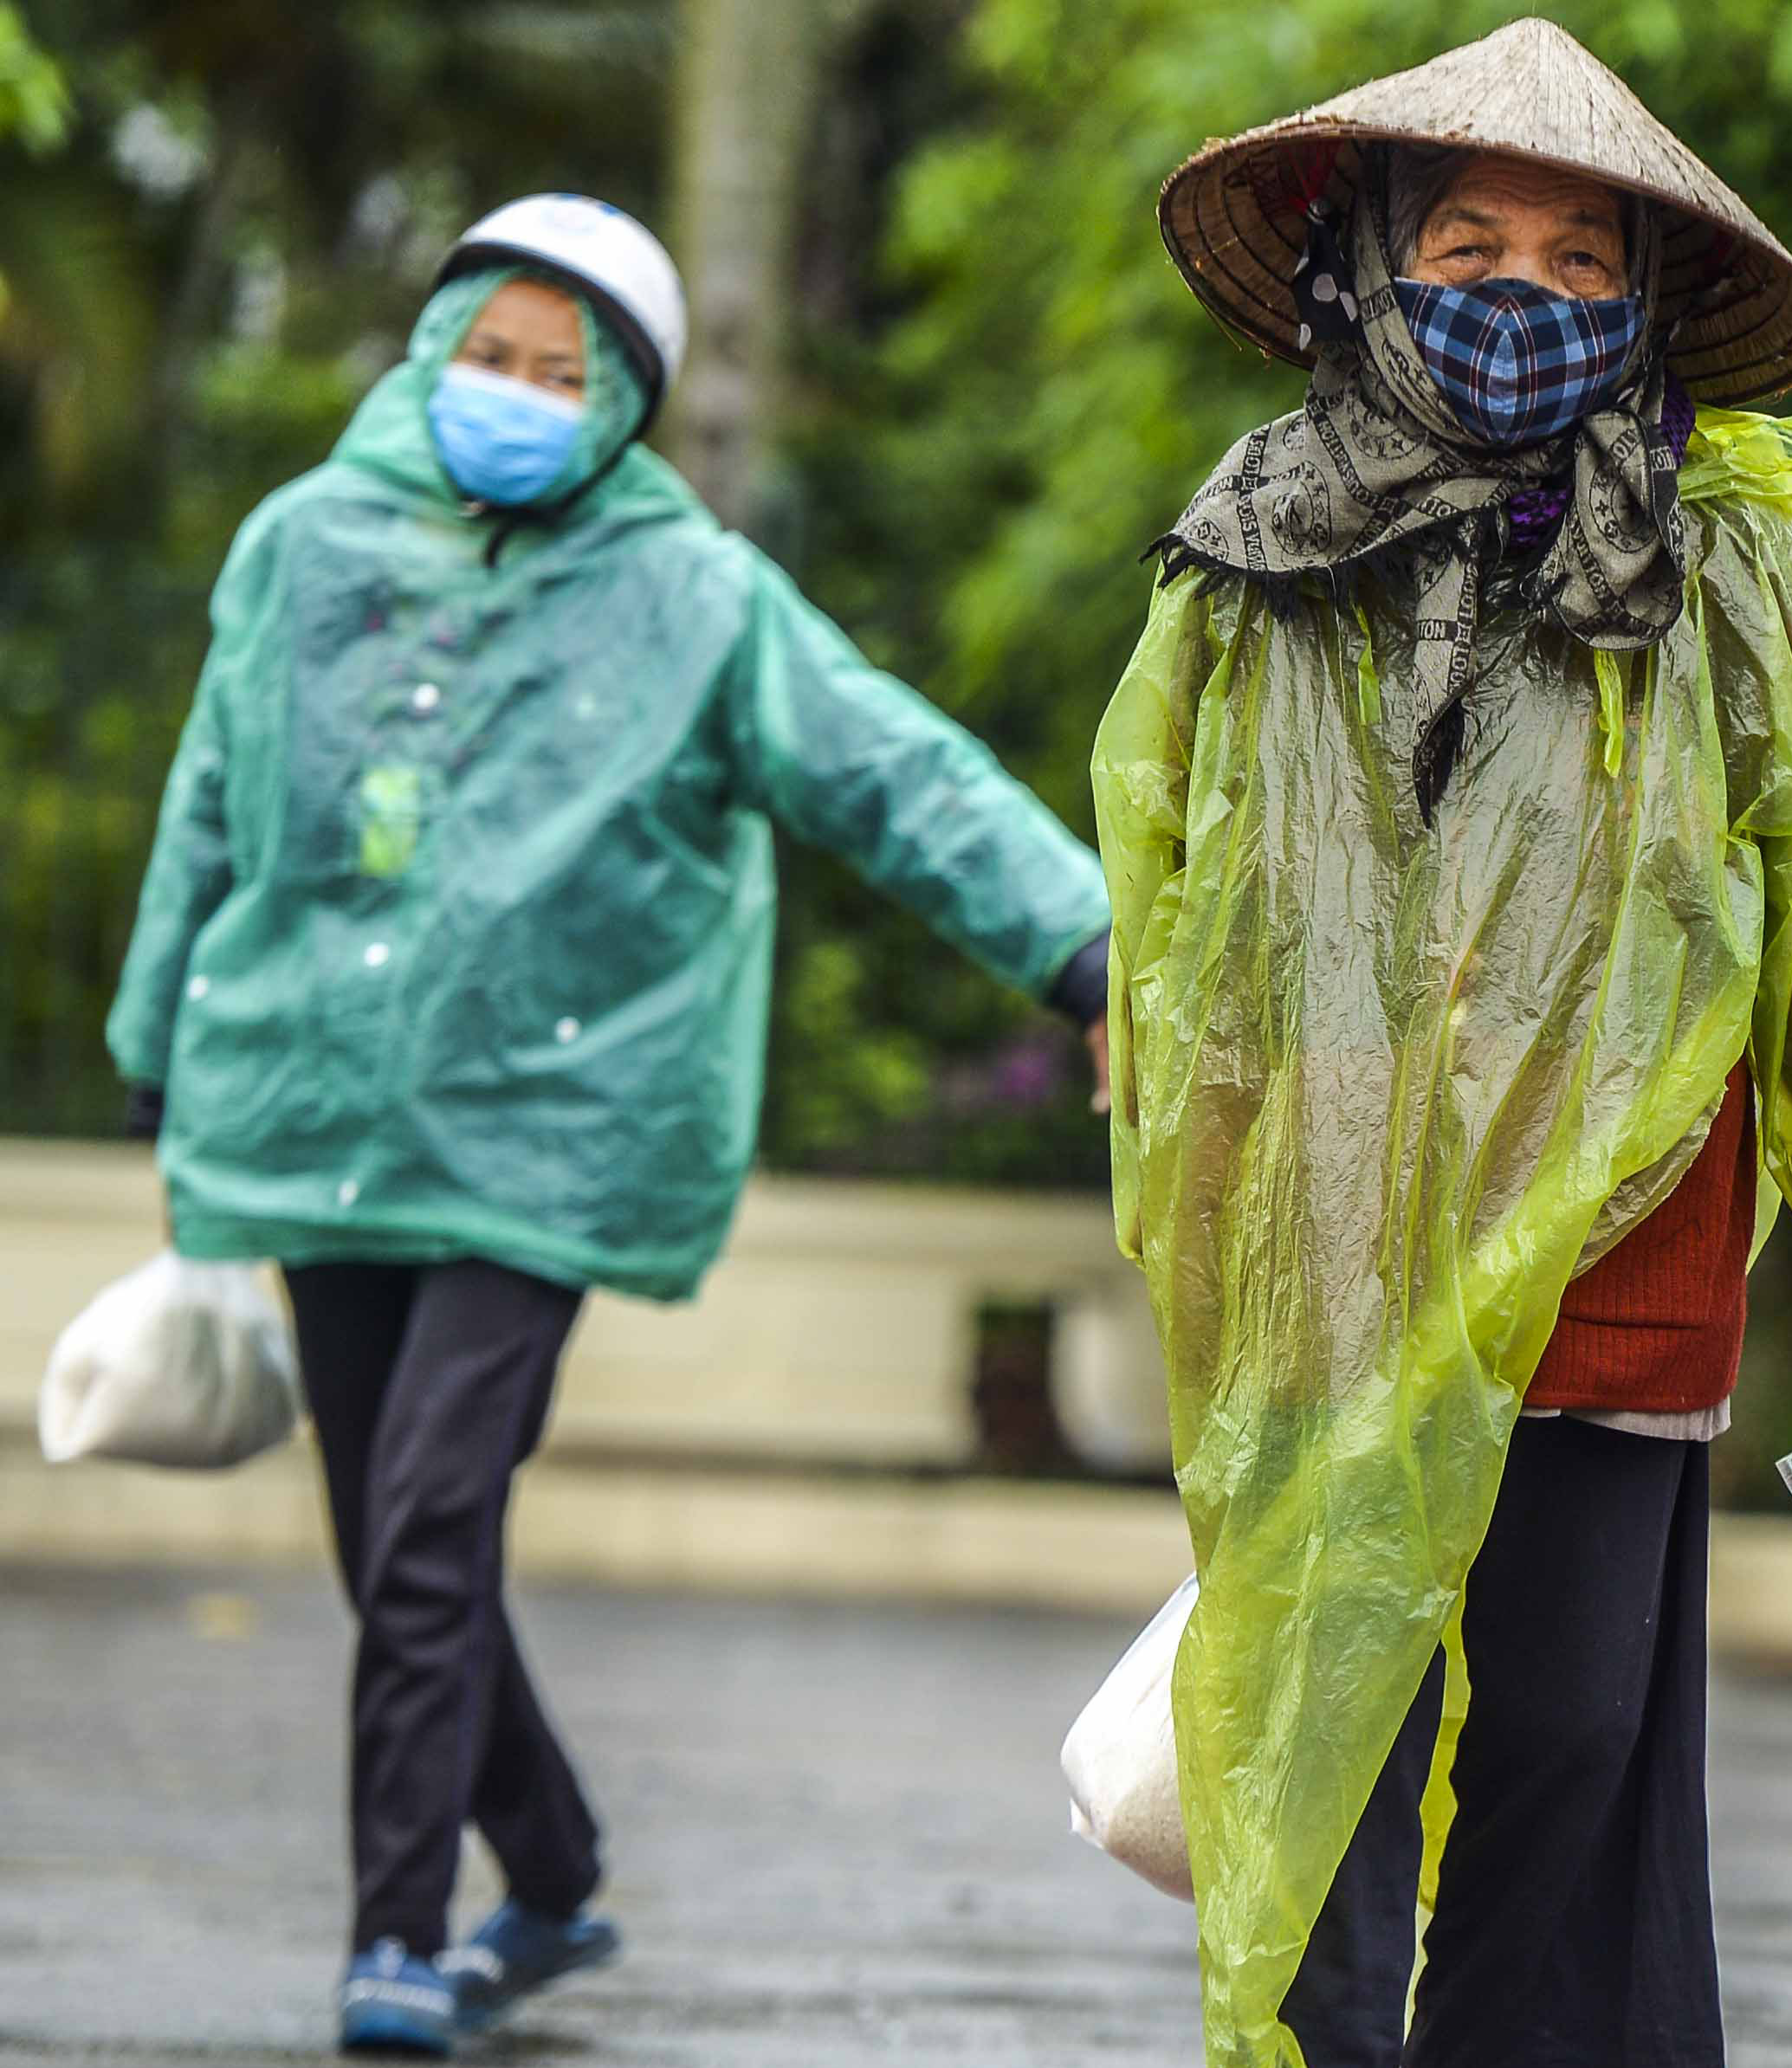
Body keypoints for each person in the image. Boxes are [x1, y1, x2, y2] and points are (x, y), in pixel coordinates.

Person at [104, 194, 1116, 2058]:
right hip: (322, 1109)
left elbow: (897, 772)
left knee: (422, 1526)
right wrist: (153, 1028)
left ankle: (395, 1940)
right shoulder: (299, 548)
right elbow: (208, 797)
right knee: (386, 1542)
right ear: (428, 354)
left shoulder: (698, 596)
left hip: (554, 1135)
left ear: (628, 410)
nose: (513, 394)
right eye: (487, 355)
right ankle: (554, 1879)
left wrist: (1085, 951)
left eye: (563, 376)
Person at [1100, 21, 1792, 2064]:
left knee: (1568, 1757)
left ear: (1652, 300)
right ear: (1371, 267)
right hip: (1331, 1263)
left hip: (1624, 1250)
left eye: (1587, 266)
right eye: (1474, 244)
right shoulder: (1252, 553)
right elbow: (1176, 915)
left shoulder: (1735, 563)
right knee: (1321, 1760)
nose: (1527, 296)